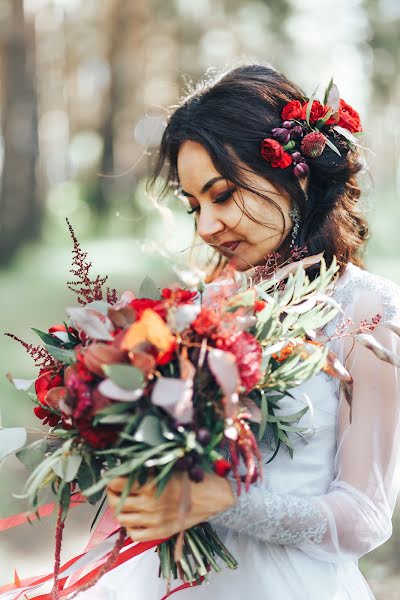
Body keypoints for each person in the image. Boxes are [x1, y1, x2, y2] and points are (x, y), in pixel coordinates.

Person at [84, 63, 400, 599]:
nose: (206, 226)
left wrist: (225, 502)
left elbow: (365, 517)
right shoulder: (207, 306)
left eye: (222, 194)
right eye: (194, 207)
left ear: (292, 171)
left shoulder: (367, 311)